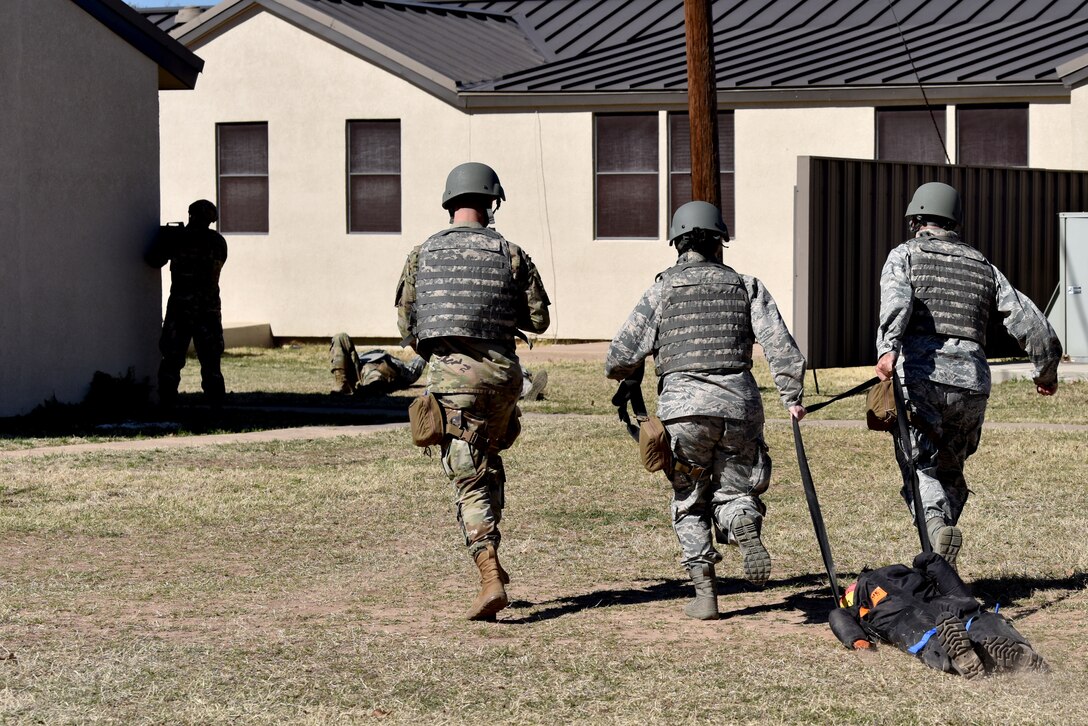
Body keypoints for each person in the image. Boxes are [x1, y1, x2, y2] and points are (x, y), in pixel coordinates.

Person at [605, 201, 806, 620]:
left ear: (677, 243)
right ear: (720, 243)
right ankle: (741, 524)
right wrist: (792, 397)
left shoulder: (663, 289)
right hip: (739, 405)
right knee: (736, 490)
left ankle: (706, 595)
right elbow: (781, 346)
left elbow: (620, 355)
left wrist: (632, 369)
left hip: (684, 409)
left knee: (689, 499)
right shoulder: (746, 286)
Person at [874, 182, 1062, 565]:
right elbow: (1030, 320)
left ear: (916, 220)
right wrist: (1046, 371)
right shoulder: (982, 264)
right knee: (951, 468)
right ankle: (942, 563)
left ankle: (935, 525)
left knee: (919, 466)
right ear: (953, 219)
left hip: (922, 376)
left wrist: (887, 349)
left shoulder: (905, 255)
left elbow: (897, 303)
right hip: (972, 383)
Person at [395, 162, 550, 621]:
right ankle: (493, 558)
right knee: (485, 462)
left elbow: (406, 324)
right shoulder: (511, 253)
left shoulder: (423, 254)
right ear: (492, 202)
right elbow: (539, 320)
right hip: (503, 382)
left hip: (453, 386)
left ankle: (490, 578)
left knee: (468, 482)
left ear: (449, 203)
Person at [829, 551, 1048, 678]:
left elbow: (837, 615)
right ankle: (1005, 649)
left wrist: (858, 641)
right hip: (939, 606)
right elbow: (955, 589)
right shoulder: (895, 577)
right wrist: (929, 561)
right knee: (976, 618)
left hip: (908, 620)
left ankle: (965, 656)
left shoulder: (858, 604)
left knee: (933, 637)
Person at [147, 199, 228, 408]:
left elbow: (153, 259)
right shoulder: (218, 242)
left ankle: (167, 402)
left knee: (172, 359)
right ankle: (216, 404)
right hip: (209, 310)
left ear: (191, 215)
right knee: (211, 361)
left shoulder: (179, 239)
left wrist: (164, 237)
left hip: (181, 308)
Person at [329, 333, 548, 400]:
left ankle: (525, 384)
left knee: (486, 367)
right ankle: (345, 388)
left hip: (396, 365)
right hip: (380, 371)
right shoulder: (363, 369)